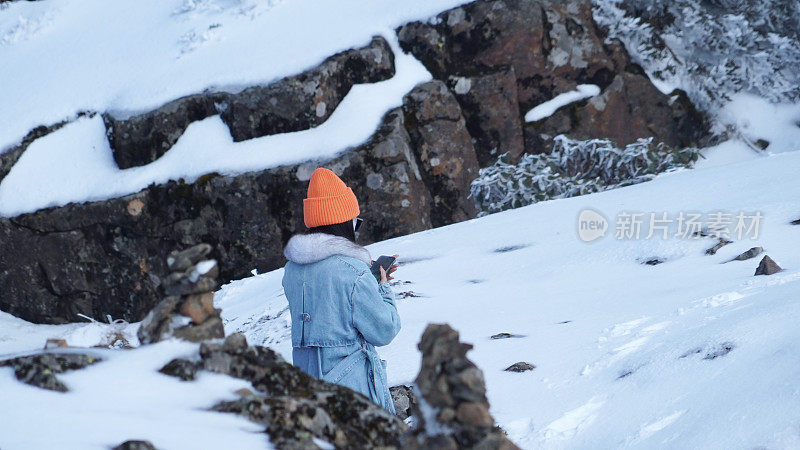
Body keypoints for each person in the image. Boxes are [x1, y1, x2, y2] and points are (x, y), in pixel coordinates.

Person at [281, 167, 401, 413]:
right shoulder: (353, 271)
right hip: (353, 396)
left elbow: (326, 304)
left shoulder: (291, 270)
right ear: (344, 221)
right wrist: (383, 288)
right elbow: (384, 330)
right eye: (354, 220)